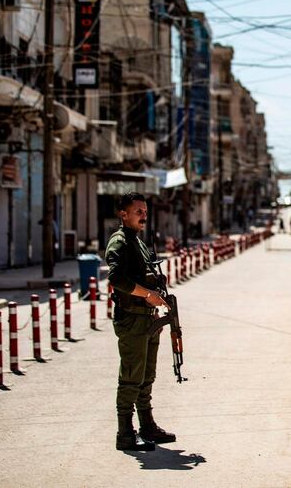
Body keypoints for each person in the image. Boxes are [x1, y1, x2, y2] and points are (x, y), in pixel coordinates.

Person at [106, 192, 176, 452]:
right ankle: (125, 432)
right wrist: (147, 294)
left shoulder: (138, 241)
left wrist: (156, 292)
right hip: (131, 320)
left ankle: (147, 426)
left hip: (147, 319)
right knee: (131, 378)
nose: (143, 215)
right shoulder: (120, 241)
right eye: (138, 211)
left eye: (145, 211)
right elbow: (117, 279)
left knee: (147, 376)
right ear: (123, 214)